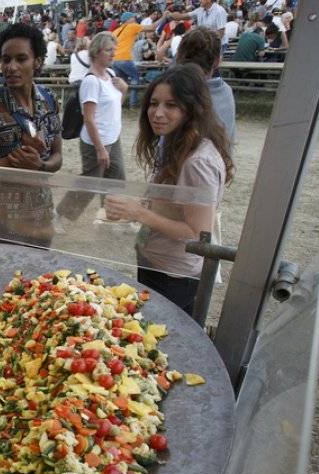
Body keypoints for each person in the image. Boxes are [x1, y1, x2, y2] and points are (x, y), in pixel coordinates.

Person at [104, 64, 234, 312]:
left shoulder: (198, 162)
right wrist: (132, 209)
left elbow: (197, 233)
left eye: (171, 105)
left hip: (175, 274)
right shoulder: (177, 145)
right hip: (157, 261)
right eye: (154, 103)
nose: (158, 113)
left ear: (191, 109)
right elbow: (172, 205)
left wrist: (138, 213)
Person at [0, 23, 63, 248]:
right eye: (6, 59)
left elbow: (57, 157)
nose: (11, 67)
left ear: (37, 61)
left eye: (21, 59)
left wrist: (40, 166)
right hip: (2, 224)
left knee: (41, 282)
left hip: (41, 219)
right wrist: (14, 160)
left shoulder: (49, 100)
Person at [80, 32, 127, 181]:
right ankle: (67, 206)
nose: (113, 54)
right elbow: (88, 118)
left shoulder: (110, 73)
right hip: (97, 142)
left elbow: (114, 107)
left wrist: (124, 90)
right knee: (88, 188)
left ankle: (107, 206)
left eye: (114, 49)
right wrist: (100, 149)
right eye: (108, 50)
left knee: (116, 182)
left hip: (112, 137)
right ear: (96, 52)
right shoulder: (92, 81)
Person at [177, 28, 235, 143]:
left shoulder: (178, 90)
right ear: (217, 61)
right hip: (221, 159)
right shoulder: (226, 90)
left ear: (179, 57)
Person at [111, 12, 145, 107]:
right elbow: (152, 27)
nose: (135, 19)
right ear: (128, 19)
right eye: (133, 17)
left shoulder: (116, 31)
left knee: (121, 82)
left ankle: (118, 104)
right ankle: (132, 104)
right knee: (135, 78)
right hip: (124, 58)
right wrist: (164, 18)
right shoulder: (132, 26)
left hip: (114, 60)